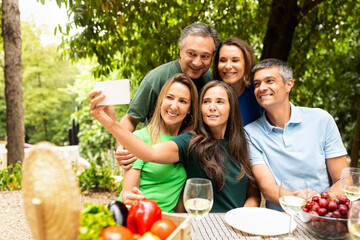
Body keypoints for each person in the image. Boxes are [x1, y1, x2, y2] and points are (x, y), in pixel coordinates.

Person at [89, 80, 260, 212]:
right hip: (199, 222)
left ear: (232, 108)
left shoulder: (243, 143)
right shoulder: (191, 141)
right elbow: (149, 153)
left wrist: (244, 215)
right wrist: (109, 122)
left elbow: (252, 191)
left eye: (220, 102)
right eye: (206, 101)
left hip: (238, 224)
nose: (212, 107)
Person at [244, 58, 348, 211]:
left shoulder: (321, 120)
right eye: (257, 84)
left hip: (324, 215)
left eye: (269, 81)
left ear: (288, 85)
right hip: (281, 218)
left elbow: (343, 179)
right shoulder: (251, 133)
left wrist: (319, 202)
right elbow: (267, 187)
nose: (261, 88)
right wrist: (300, 202)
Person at [117, 22, 219, 169]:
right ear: (180, 50)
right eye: (191, 54)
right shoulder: (156, 78)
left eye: (205, 56)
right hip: (155, 162)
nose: (197, 62)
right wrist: (122, 149)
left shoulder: (212, 81)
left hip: (194, 161)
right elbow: (130, 119)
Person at [118, 74, 198, 212]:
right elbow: (130, 197)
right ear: (160, 100)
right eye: (169, 97)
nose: (174, 106)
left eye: (183, 101)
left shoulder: (187, 142)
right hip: (139, 216)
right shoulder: (140, 138)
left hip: (168, 221)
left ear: (190, 108)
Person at [213, 37, 262, 126]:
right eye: (223, 60)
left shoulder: (258, 88)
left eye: (235, 60)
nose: (228, 66)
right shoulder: (210, 92)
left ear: (247, 63)